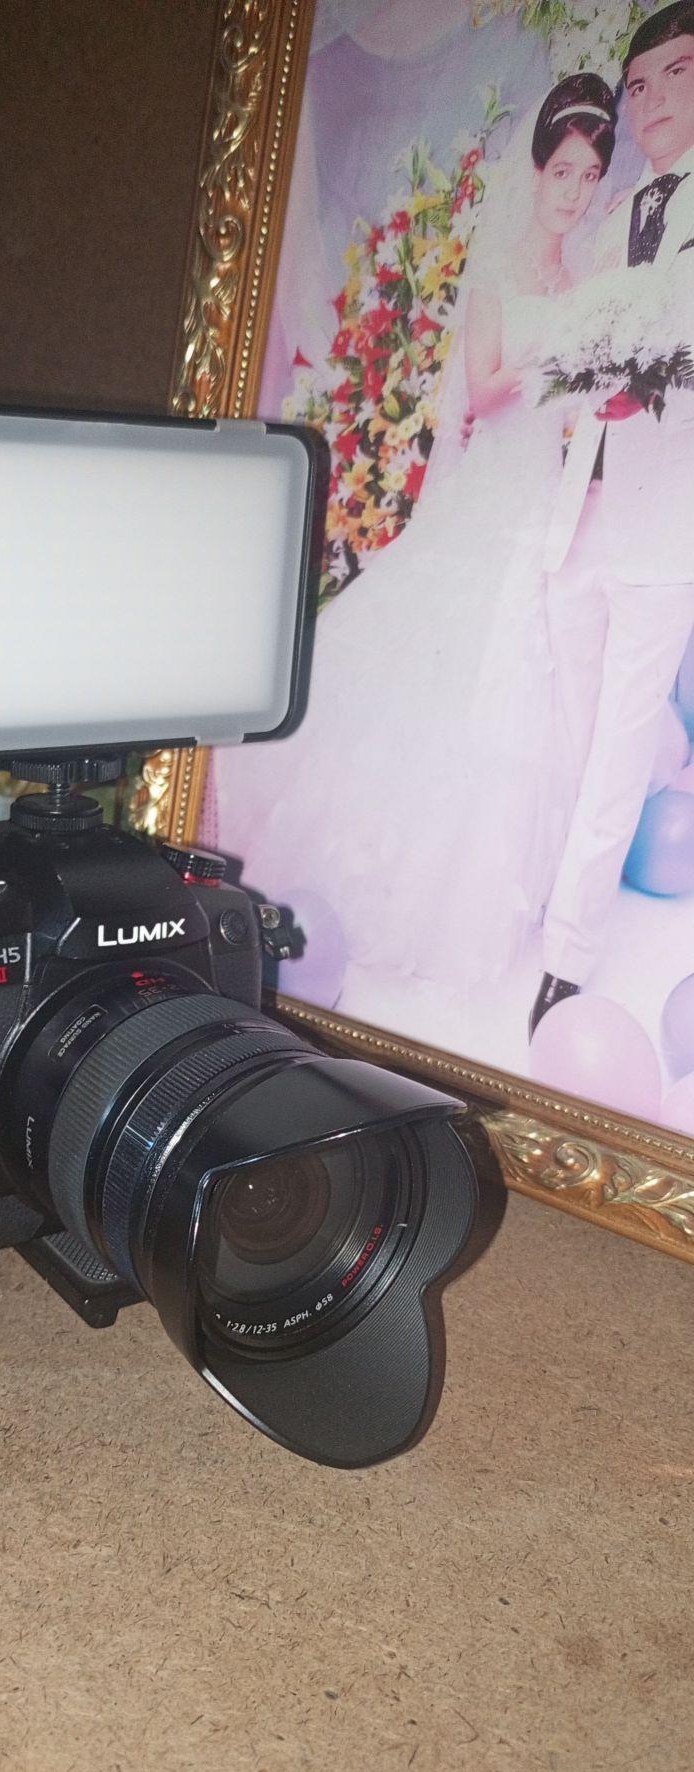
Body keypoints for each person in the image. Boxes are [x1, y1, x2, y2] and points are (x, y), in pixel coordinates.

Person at [212, 75, 618, 989]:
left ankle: (478, 901)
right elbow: (482, 387)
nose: (574, 192)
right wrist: (564, 357)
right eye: (563, 172)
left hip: (543, 501)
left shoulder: (584, 277)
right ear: (538, 171)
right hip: (489, 496)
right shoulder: (505, 267)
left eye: (590, 177)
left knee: (519, 689)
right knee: (445, 673)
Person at [533, 2, 694, 1038]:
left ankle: (566, 957)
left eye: (676, 74)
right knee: (567, 727)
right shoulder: (610, 217)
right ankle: (540, 904)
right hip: (578, 515)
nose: (652, 100)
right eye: (638, 85)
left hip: (668, 527)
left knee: (621, 743)